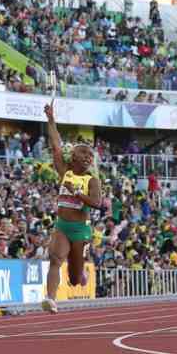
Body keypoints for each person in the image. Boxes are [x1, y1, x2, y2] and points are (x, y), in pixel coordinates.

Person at [43, 100, 103, 314]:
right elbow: (56, 143)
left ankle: (81, 274)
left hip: (80, 230)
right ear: (74, 155)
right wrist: (51, 119)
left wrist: (77, 192)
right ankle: (50, 299)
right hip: (62, 226)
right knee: (55, 259)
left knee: (75, 279)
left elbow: (97, 204)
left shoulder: (92, 180)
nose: (88, 158)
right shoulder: (65, 170)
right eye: (84, 153)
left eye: (90, 156)